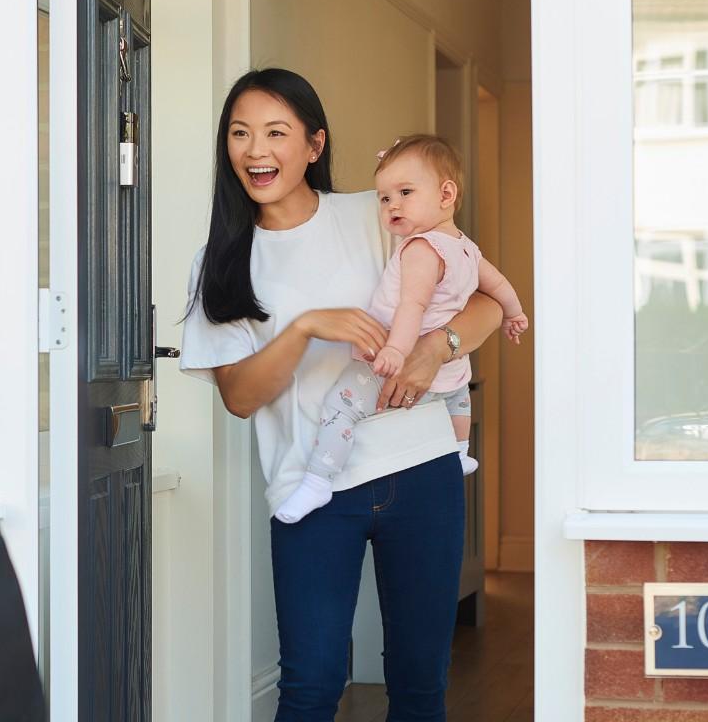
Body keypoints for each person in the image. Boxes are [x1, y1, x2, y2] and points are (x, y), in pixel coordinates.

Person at [180, 68, 502, 721]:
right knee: (310, 687)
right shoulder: (222, 261)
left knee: (420, 686)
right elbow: (240, 396)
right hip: (312, 489)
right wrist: (305, 327)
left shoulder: (378, 214)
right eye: (240, 133)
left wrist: (435, 349)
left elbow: (486, 304)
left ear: (314, 144)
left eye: (276, 132)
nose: (256, 150)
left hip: (421, 471)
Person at [274, 133, 527, 524]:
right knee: (459, 398)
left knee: (340, 407)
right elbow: (499, 285)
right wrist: (515, 313)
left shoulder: (421, 248)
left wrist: (395, 350)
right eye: (384, 197)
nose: (392, 205)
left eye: (405, 192)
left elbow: (413, 306)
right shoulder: (467, 248)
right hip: (449, 372)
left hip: (396, 358)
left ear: (446, 194)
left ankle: (318, 480)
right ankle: (460, 451)